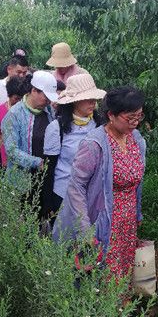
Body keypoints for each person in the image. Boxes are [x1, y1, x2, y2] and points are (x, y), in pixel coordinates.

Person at [53, 86, 146, 280]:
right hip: (102, 220)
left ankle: (121, 308)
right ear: (111, 115)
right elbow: (76, 187)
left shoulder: (136, 140)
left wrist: (137, 212)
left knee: (124, 272)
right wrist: (85, 230)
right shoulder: (94, 144)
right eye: (130, 118)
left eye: (139, 116)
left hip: (126, 221)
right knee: (101, 274)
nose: (135, 123)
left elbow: (138, 183)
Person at [42, 73, 106, 218]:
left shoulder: (100, 126)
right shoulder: (56, 128)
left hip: (94, 194)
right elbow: (49, 168)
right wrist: (48, 202)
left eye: (93, 99)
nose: (92, 102)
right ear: (74, 101)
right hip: (64, 193)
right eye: (87, 99)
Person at [2, 71, 58, 200]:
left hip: (44, 178)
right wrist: (37, 162)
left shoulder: (49, 110)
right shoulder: (14, 115)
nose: (48, 101)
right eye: (46, 97)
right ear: (34, 91)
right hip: (21, 180)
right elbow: (11, 150)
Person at [0, 76, 29, 169]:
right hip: (6, 161)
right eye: (16, 99)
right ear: (9, 95)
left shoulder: (28, 111)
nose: (19, 102)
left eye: (22, 99)